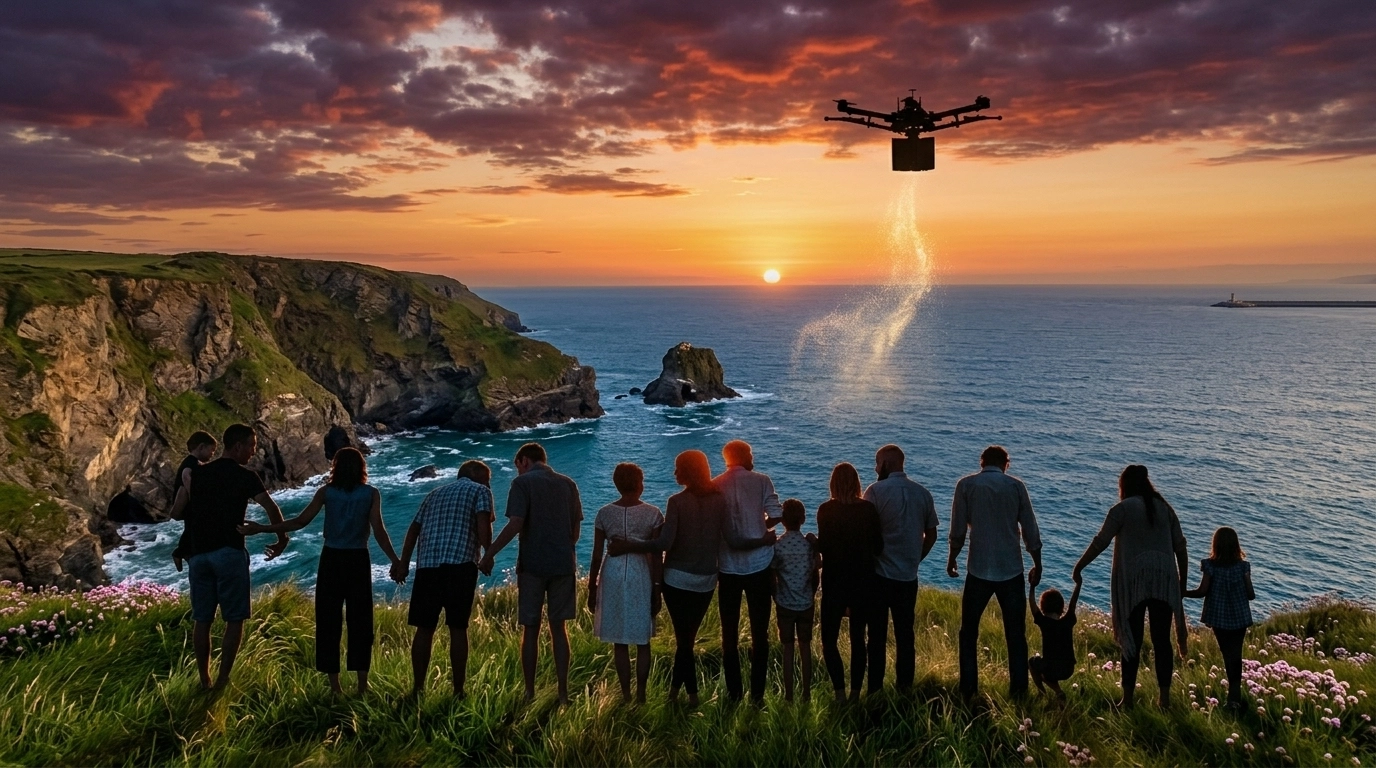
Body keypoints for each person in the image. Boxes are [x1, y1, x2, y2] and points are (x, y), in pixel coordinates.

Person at [238, 447, 401, 695]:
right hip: (358, 559)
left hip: (331, 559)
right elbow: (378, 529)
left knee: (328, 622)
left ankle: (335, 688)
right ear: (361, 467)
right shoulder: (371, 494)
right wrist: (394, 559)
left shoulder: (326, 492)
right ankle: (361, 686)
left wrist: (263, 528)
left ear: (335, 467)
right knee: (361, 622)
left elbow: (300, 522)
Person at [169, 423, 289, 690]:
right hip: (229, 553)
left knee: (202, 620)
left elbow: (178, 512)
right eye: (251, 446)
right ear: (237, 446)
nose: (253, 452)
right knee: (234, 619)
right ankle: (222, 680)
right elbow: (270, 506)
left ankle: (204, 679)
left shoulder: (195, 475)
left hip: (199, 556)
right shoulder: (246, 476)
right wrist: (281, 537)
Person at [609, 450, 728, 706]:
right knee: (687, 640)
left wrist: (628, 544)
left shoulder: (676, 501)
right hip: (706, 579)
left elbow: (663, 543)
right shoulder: (720, 499)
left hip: (676, 580)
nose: (674, 473)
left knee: (684, 641)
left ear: (687, 471)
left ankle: (691, 697)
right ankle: (675, 695)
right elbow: (729, 537)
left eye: (677, 468)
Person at [1073, 464, 1189, 709]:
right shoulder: (1165, 508)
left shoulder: (1122, 509)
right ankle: (1164, 700)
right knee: (1162, 641)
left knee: (1130, 639)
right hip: (1163, 579)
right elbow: (1181, 547)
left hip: (1133, 581)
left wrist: (1079, 566)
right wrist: (1182, 583)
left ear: (1124, 485)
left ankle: (1127, 700)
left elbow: (1100, 542)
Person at [481, 443, 582, 704]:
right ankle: (563, 693)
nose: (517, 473)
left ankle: (529, 692)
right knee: (559, 629)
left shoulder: (522, 485)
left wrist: (489, 552)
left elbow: (515, 523)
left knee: (531, 629)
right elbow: (575, 533)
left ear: (524, 461)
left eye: (517, 467)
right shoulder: (568, 484)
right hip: (563, 564)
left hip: (533, 566)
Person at [392, 460, 494, 698]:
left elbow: (413, 530)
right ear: (475, 475)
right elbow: (483, 526)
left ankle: (417, 689)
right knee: (458, 628)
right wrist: (488, 554)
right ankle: (458, 690)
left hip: (428, 566)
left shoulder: (433, 494)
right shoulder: (480, 491)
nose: (489, 484)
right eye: (487, 479)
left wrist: (404, 564)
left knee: (424, 629)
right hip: (460, 564)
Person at [948, 445, 1043, 699]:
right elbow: (1030, 528)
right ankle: (1019, 690)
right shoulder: (1016, 486)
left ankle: (968, 689)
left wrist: (952, 557)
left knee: (968, 633)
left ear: (981, 462)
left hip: (978, 568)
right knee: (1016, 635)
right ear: (1006, 464)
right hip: (1011, 569)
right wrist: (1038, 561)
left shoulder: (965, 486)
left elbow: (958, 529)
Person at [863, 444, 938, 693]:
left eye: (877, 462)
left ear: (887, 463)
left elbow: (866, 533)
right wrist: (917, 558)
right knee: (906, 636)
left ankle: (875, 689)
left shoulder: (875, 491)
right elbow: (932, 533)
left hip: (880, 575)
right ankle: (904, 688)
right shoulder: (923, 493)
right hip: (908, 576)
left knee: (876, 637)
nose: (875, 468)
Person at [587, 463, 663, 703]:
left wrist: (592, 586)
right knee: (642, 640)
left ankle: (626, 694)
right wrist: (657, 588)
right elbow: (656, 555)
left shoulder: (604, 513)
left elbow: (597, 554)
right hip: (641, 573)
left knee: (619, 640)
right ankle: (641, 694)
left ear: (616, 484)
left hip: (613, 573)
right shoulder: (653, 513)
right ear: (640, 483)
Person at [713, 439, 781, 703]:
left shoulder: (716, 485)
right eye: (751, 453)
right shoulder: (762, 480)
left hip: (727, 567)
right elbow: (776, 514)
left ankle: (734, 693)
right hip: (759, 566)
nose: (753, 457)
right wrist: (761, 526)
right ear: (744, 456)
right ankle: (757, 694)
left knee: (728, 633)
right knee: (760, 632)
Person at [814, 463, 884, 701]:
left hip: (834, 581)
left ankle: (840, 694)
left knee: (829, 641)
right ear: (856, 483)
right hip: (864, 581)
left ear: (832, 483)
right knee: (858, 640)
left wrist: (813, 541)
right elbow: (878, 547)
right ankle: (856, 693)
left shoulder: (825, 509)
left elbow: (824, 547)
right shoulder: (868, 510)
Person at [1184, 526, 1255, 709]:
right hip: (1240, 616)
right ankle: (1235, 696)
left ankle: (1232, 700)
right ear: (1236, 545)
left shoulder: (1210, 565)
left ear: (1215, 545)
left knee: (1227, 654)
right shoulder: (1243, 567)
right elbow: (1251, 594)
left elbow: (1202, 591)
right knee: (1236, 655)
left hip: (1219, 616)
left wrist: (1183, 592)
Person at [770, 498, 818, 702]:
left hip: (785, 603)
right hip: (806, 602)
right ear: (803, 519)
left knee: (787, 649)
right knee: (805, 648)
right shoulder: (808, 545)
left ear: (782, 520)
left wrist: (776, 595)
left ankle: (788, 696)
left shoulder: (778, 546)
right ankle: (806, 693)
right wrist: (812, 593)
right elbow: (816, 571)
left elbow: (772, 573)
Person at [1028, 578, 1082, 699]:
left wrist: (1032, 586)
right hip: (1068, 668)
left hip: (1050, 669)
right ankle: (1059, 693)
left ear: (1043, 607)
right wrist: (1078, 583)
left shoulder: (1044, 622)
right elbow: (1073, 602)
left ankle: (1042, 692)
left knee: (1033, 663)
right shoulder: (1068, 621)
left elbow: (1032, 605)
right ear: (1062, 607)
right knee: (1047, 670)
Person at [171, 431, 217, 571]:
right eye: (212, 450)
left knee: (191, 527)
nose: (213, 453)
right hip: (188, 501)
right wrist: (196, 497)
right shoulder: (192, 464)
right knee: (193, 526)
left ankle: (182, 552)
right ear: (201, 447)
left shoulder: (190, 462)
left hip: (188, 501)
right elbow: (186, 477)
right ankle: (180, 553)